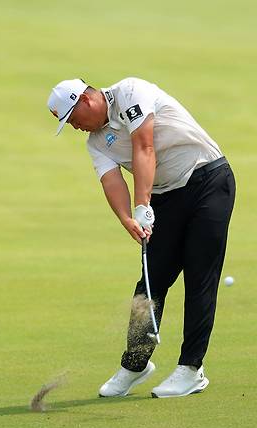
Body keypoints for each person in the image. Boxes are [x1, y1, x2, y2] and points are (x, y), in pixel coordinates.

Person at [47, 77, 235, 398]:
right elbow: (111, 181)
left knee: (199, 277)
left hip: (207, 180)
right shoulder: (95, 142)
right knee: (150, 282)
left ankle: (191, 369)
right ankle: (135, 364)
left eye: (73, 118)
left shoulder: (131, 92)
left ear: (86, 101)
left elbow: (144, 146)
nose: (75, 127)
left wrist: (142, 205)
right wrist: (126, 218)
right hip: (165, 196)